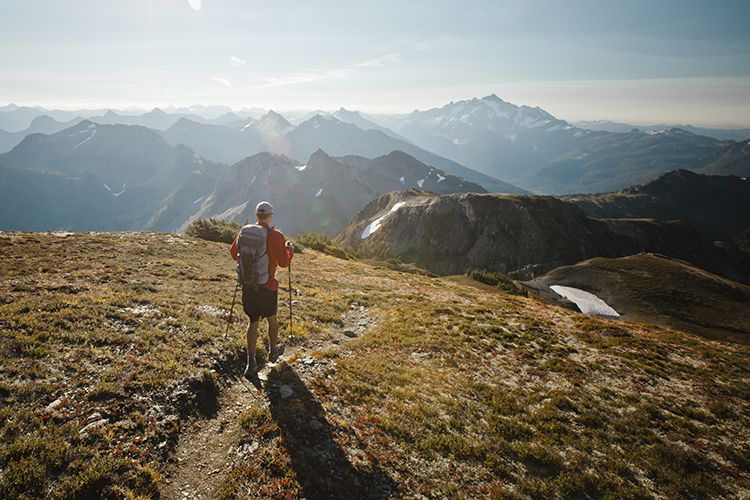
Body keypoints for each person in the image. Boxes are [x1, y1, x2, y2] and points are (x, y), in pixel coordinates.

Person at [230, 201, 294, 378]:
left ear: (256, 215)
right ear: (270, 216)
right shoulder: (276, 235)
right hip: (267, 286)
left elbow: (234, 253)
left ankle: (251, 362)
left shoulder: (245, 231)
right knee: (272, 318)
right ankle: (273, 351)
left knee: (253, 322)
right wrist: (290, 250)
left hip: (248, 285)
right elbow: (283, 262)